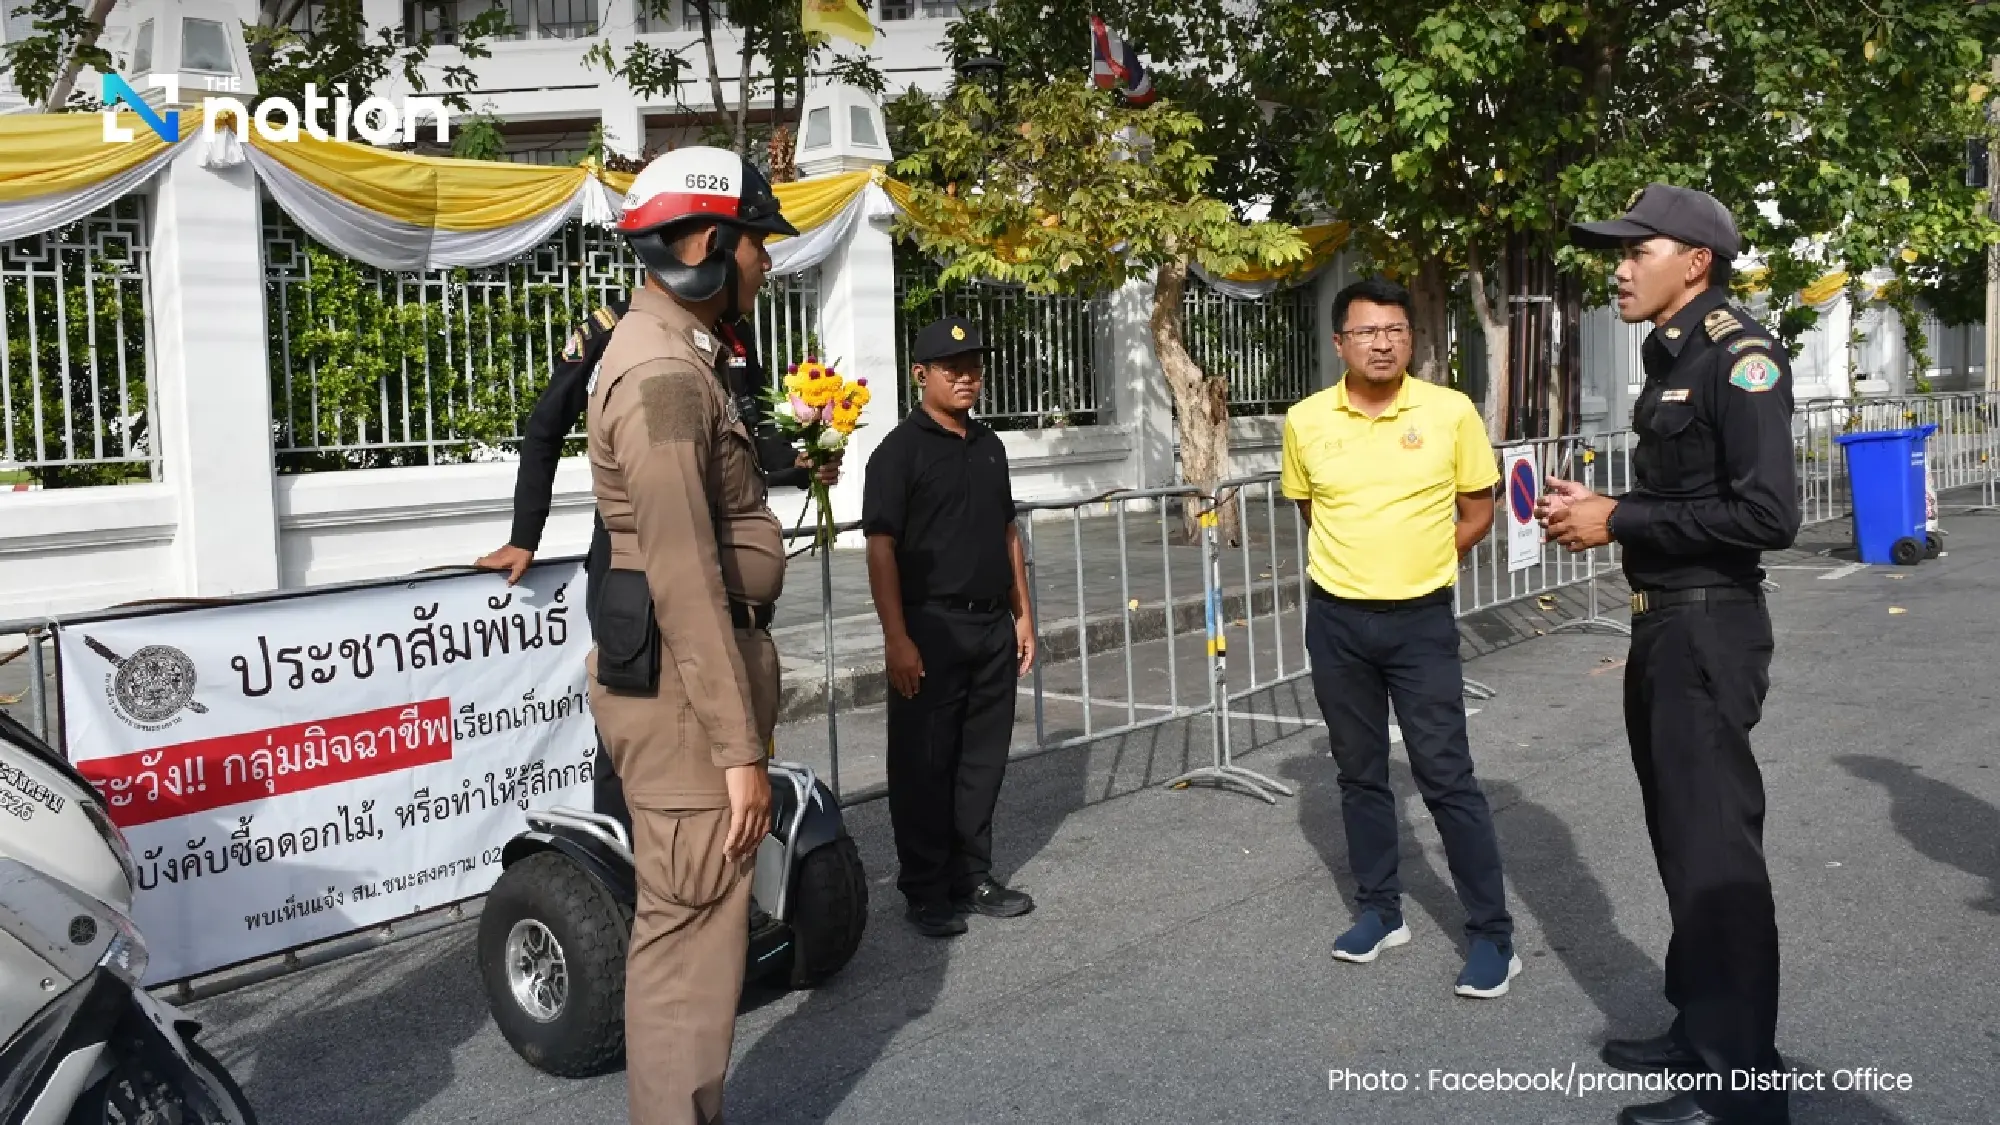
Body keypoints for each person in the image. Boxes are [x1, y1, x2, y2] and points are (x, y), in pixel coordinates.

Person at [1543, 184, 1800, 1125]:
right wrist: (1604, 503)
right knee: (1681, 841)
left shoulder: (1741, 357)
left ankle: (1741, 1084)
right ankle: (1702, 1028)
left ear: (1693, 262)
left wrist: (1620, 517)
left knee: (1716, 853)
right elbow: (1692, 491)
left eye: (1634, 250)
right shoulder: (1673, 352)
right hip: (1663, 625)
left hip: (1706, 627)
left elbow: (1770, 514)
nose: (1617, 266)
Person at [579, 146, 796, 1125]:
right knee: (690, 940)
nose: (765, 265)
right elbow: (681, 577)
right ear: (707, 244)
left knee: (693, 930)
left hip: (683, 690)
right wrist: (737, 750)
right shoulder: (663, 376)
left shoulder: (680, 358)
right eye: (757, 245)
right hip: (683, 703)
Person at [475, 276, 840, 833]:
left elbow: (750, 440)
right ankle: (627, 884)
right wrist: (526, 536)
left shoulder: (731, 338)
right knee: (635, 730)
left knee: (727, 715)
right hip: (634, 567)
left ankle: (723, 860)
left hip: (722, 568)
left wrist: (802, 462)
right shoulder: (613, 329)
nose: (762, 265)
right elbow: (546, 427)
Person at [1279, 276, 1520, 999]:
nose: (1382, 342)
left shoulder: (1449, 412)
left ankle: (1492, 937)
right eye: (1366, 331)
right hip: (1337, 621)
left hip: (1420, 622)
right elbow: (1311, 512)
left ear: (1411, 340)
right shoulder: (1306, 419)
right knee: (1358, 774)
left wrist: (1426, 559)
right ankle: (1381, 911)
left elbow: (1478, 509)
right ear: (1339, 343)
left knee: (1447, 776)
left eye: (1395, 330)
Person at [862, 316, 1037, 938]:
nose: (966, 378)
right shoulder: (897, 453)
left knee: (981, 759)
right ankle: (926, 887)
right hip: (930, 627)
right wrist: (896, 637)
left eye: (973, 367)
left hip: (991, 624)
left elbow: (1006, 533)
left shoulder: (988, 446)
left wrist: (1024, 615)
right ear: (921, 376)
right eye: (951, 368)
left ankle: (974, 874)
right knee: (923, 762)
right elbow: (880, 548)